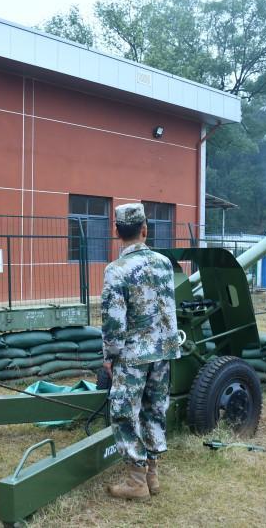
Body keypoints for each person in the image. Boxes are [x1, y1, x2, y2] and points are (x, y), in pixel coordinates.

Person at [101, 203, 181, 500]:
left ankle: (137, 482)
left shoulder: (116, 270)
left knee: (123, 412)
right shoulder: (163, 263)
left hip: (133, 355)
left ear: (116, 231)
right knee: (154, 409)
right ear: (145, 229)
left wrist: (110, 357)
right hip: (164, 350)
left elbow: (113, 321)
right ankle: (153, 475)